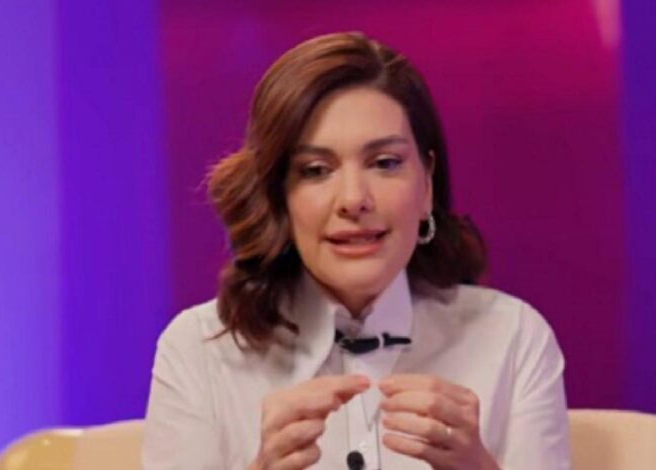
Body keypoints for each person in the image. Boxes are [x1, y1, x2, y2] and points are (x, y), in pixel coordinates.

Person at [142, 32, 570, 470]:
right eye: (316, 170)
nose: (353, 199)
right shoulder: (198, 351)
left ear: (426, 184)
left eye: (385, 163)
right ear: (279, 197)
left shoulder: (513, 338)